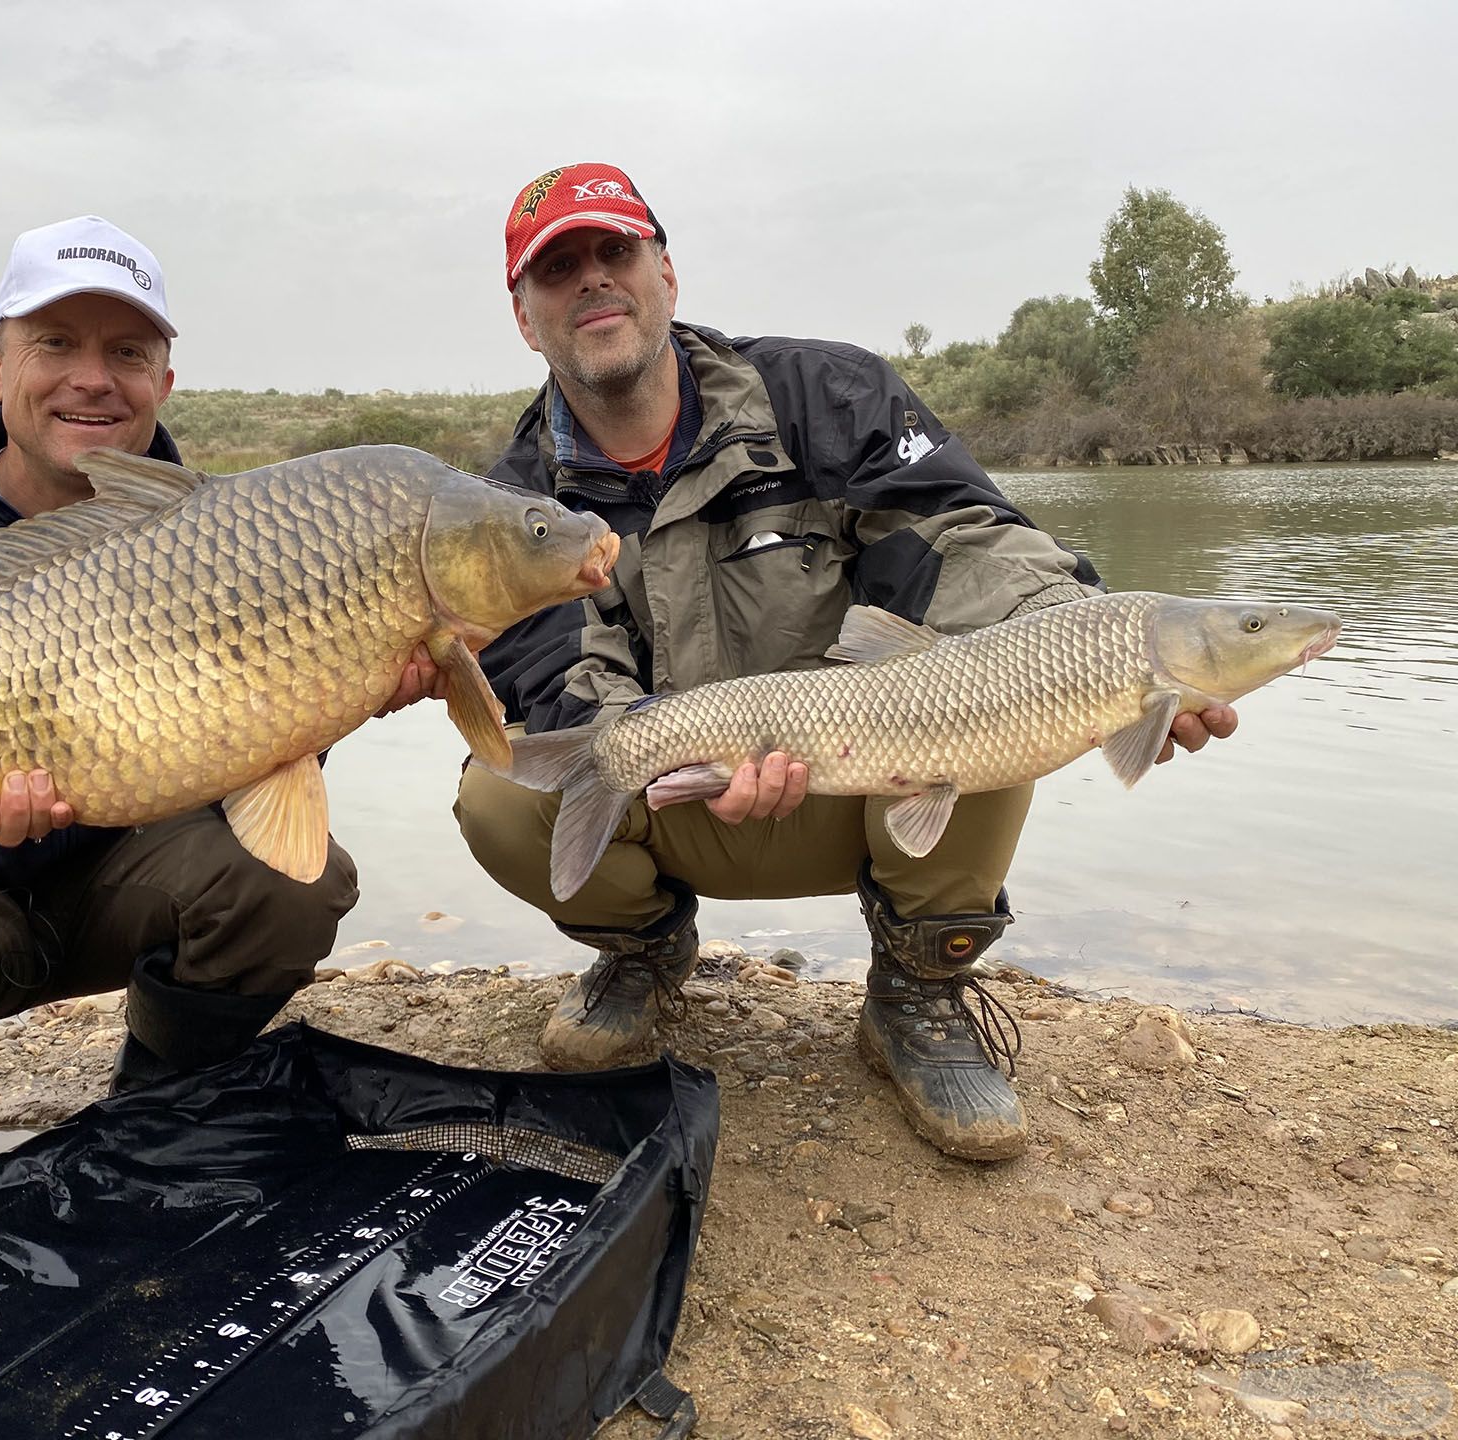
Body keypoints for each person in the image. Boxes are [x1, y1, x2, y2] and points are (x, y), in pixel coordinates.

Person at [452, 164, 1239, 1162]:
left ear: (667, 273)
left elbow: (975, 547)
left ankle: (916, 987)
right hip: (686, 798)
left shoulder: (831, 397)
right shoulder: (514, 508)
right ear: (526, 317)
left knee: (998, 688)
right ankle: (643, 953)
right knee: (497, 794)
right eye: (558, 267)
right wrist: (686, 759)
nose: (594, 280)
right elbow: (551, 670)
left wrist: (1101, 645)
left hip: (875, 787)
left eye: (617, 251)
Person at [0, 216, 360, 1255]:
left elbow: (261, 763)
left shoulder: (239, 531)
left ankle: (158, 1096)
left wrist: (358, 677)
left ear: (165, 381)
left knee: (296, 877)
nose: (93, 380)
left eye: (127, 353)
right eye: (57, 344)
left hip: (126, 879)